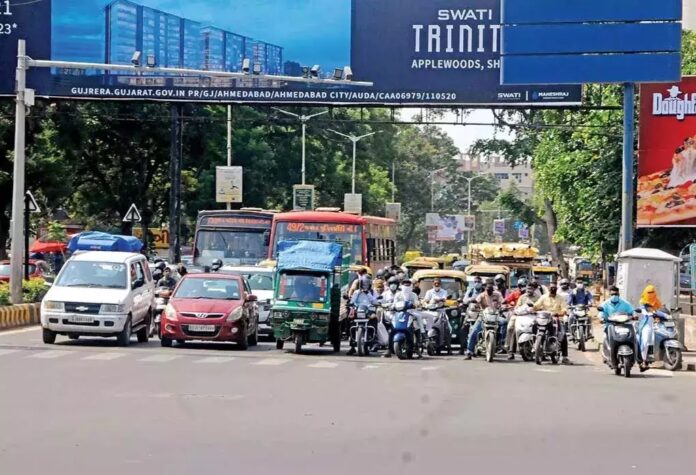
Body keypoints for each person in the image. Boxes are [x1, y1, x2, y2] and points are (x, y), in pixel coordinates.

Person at [464, 280, 504, 360]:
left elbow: (502, 302)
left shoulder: (497, 295)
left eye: (491, 288)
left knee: (504, 323)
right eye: (488, 288)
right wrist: (473, 303)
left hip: (495, 316)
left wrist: (504, 306)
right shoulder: (481, 295)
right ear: (485, 288)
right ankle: (469, 352)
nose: (489, 290)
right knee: (474, 332)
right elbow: (476, 301)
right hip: (483, 317)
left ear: (493, 288)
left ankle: (501, 343)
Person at [533, 282, 571, 365]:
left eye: (554, 288)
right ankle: (535, 347)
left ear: (557, 289)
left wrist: (561, 312)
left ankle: (565, 357)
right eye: (551, 288)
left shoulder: (560, 298)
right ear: (548, 289)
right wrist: (533, 308)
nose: (553, 289)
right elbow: (536, 305)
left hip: (556, 318)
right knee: (533, 326)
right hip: (544, 318)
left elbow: (564, 308)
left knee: (563, 335)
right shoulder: (543, 297)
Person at [383, 278, 422, 358]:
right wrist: (390, 306)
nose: (406, 286)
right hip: (399, 314)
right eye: (405, 284)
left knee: (416, 326)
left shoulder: (413, 295)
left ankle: (417, 346)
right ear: (402, 285)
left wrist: (416, 305)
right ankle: (389, 349)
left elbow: (417, 303)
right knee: (392, 329)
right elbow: (394, 303)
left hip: (411, 313)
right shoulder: (398, 294)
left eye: (408, 284)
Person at [636, 284, 668, 372]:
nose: (651, 294)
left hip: (656, 324)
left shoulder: (656, 300)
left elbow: (659, 309)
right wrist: (652, 313)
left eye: (652, 292)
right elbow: (646, 310)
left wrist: (665, 314)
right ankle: (643, 361)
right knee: (645, 341)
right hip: (646, 324)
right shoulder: (642, 301)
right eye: (649, 292)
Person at [506, 283, 540, 359]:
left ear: (534, 289)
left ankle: (540, 349)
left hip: (533, 316)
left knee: (540, 329)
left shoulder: (538, 297)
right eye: (528, 289)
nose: (529, 290)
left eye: (531, 289)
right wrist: (517, 310)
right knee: (512, 328)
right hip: (521, 316)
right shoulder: (522, 297)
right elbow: (517, 307)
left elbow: (540, 307)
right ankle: (510, 351)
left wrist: (534, 309)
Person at [348, 276, 379, 355]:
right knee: (350, 321)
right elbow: (352, 301)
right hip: (358, 311)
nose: (365, 285)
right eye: (363, 284)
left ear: (369, 284)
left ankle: (374, 340)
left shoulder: (371, 292)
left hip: (368, 311)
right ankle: (352, 345)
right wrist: (351, 303)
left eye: (367, 284)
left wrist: (368, 295)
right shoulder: (356, 292)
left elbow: (374, 301)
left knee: (374, 319)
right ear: (360, 284)